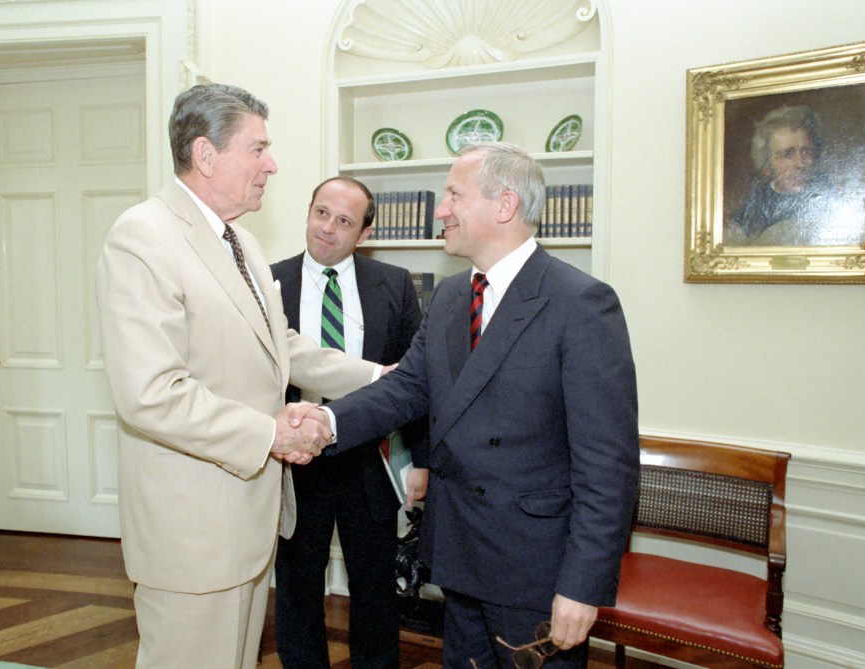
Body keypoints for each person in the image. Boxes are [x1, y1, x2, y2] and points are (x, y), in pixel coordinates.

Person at [295, 142, 639, 668]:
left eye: (454, 194)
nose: (440, 210)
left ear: (503, 206)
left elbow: (607, 465)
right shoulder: (454, 296)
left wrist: (583, 585)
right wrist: (326, 419)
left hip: (534, 571)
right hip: (460, 553)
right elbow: (405, 387)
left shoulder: (581, 304)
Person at [95, 83, 379, 669]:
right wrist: (271, 434)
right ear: (206, 155)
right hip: (192, 536)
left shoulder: (241, 241)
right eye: (258, 149)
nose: (272, 164)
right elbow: (151, 395)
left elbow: (284, 346)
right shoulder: (142, 237)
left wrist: (384, 376)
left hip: (250, 524)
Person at [270, 176, 429, 668]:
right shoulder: (269, 282)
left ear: (364, 233)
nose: (327, 229)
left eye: (344, 221)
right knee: (297, 588)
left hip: (370, 463)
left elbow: (416, 382)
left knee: (375, 590)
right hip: (296, 463)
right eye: (321, 213)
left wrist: (420, 461)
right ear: (308, 212)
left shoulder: (396, 284)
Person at [726, 104, 865, 246]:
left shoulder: (829, 195)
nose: (800, 163)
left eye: (806, 151)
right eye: (788, 154)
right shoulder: (757, 200)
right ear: (767, 165)